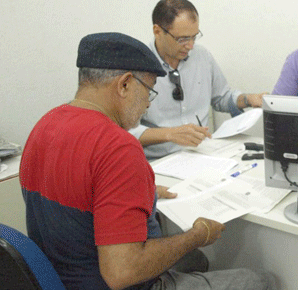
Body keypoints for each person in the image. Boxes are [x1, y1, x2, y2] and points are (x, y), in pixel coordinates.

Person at [19, 32, 275, 290]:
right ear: (125, 84)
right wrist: (197, 236)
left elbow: (76, 197)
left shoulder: (45, 125)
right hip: (112, 282)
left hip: (63, 276)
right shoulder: (117, 146)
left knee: (195, 260)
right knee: (261, 281)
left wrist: (139, 193)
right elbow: (122, 272)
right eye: (149, 92)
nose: (148, 106)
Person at [129, 0, 267, 160]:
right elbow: (125, 132)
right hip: (159, 161)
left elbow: (221, 98)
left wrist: (247, 99)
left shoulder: (202, 57)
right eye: (182, 39)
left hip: (204, 153)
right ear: (157, 31)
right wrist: (169, 134)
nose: (190, 45)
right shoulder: (136, 68)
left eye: (194, 37)